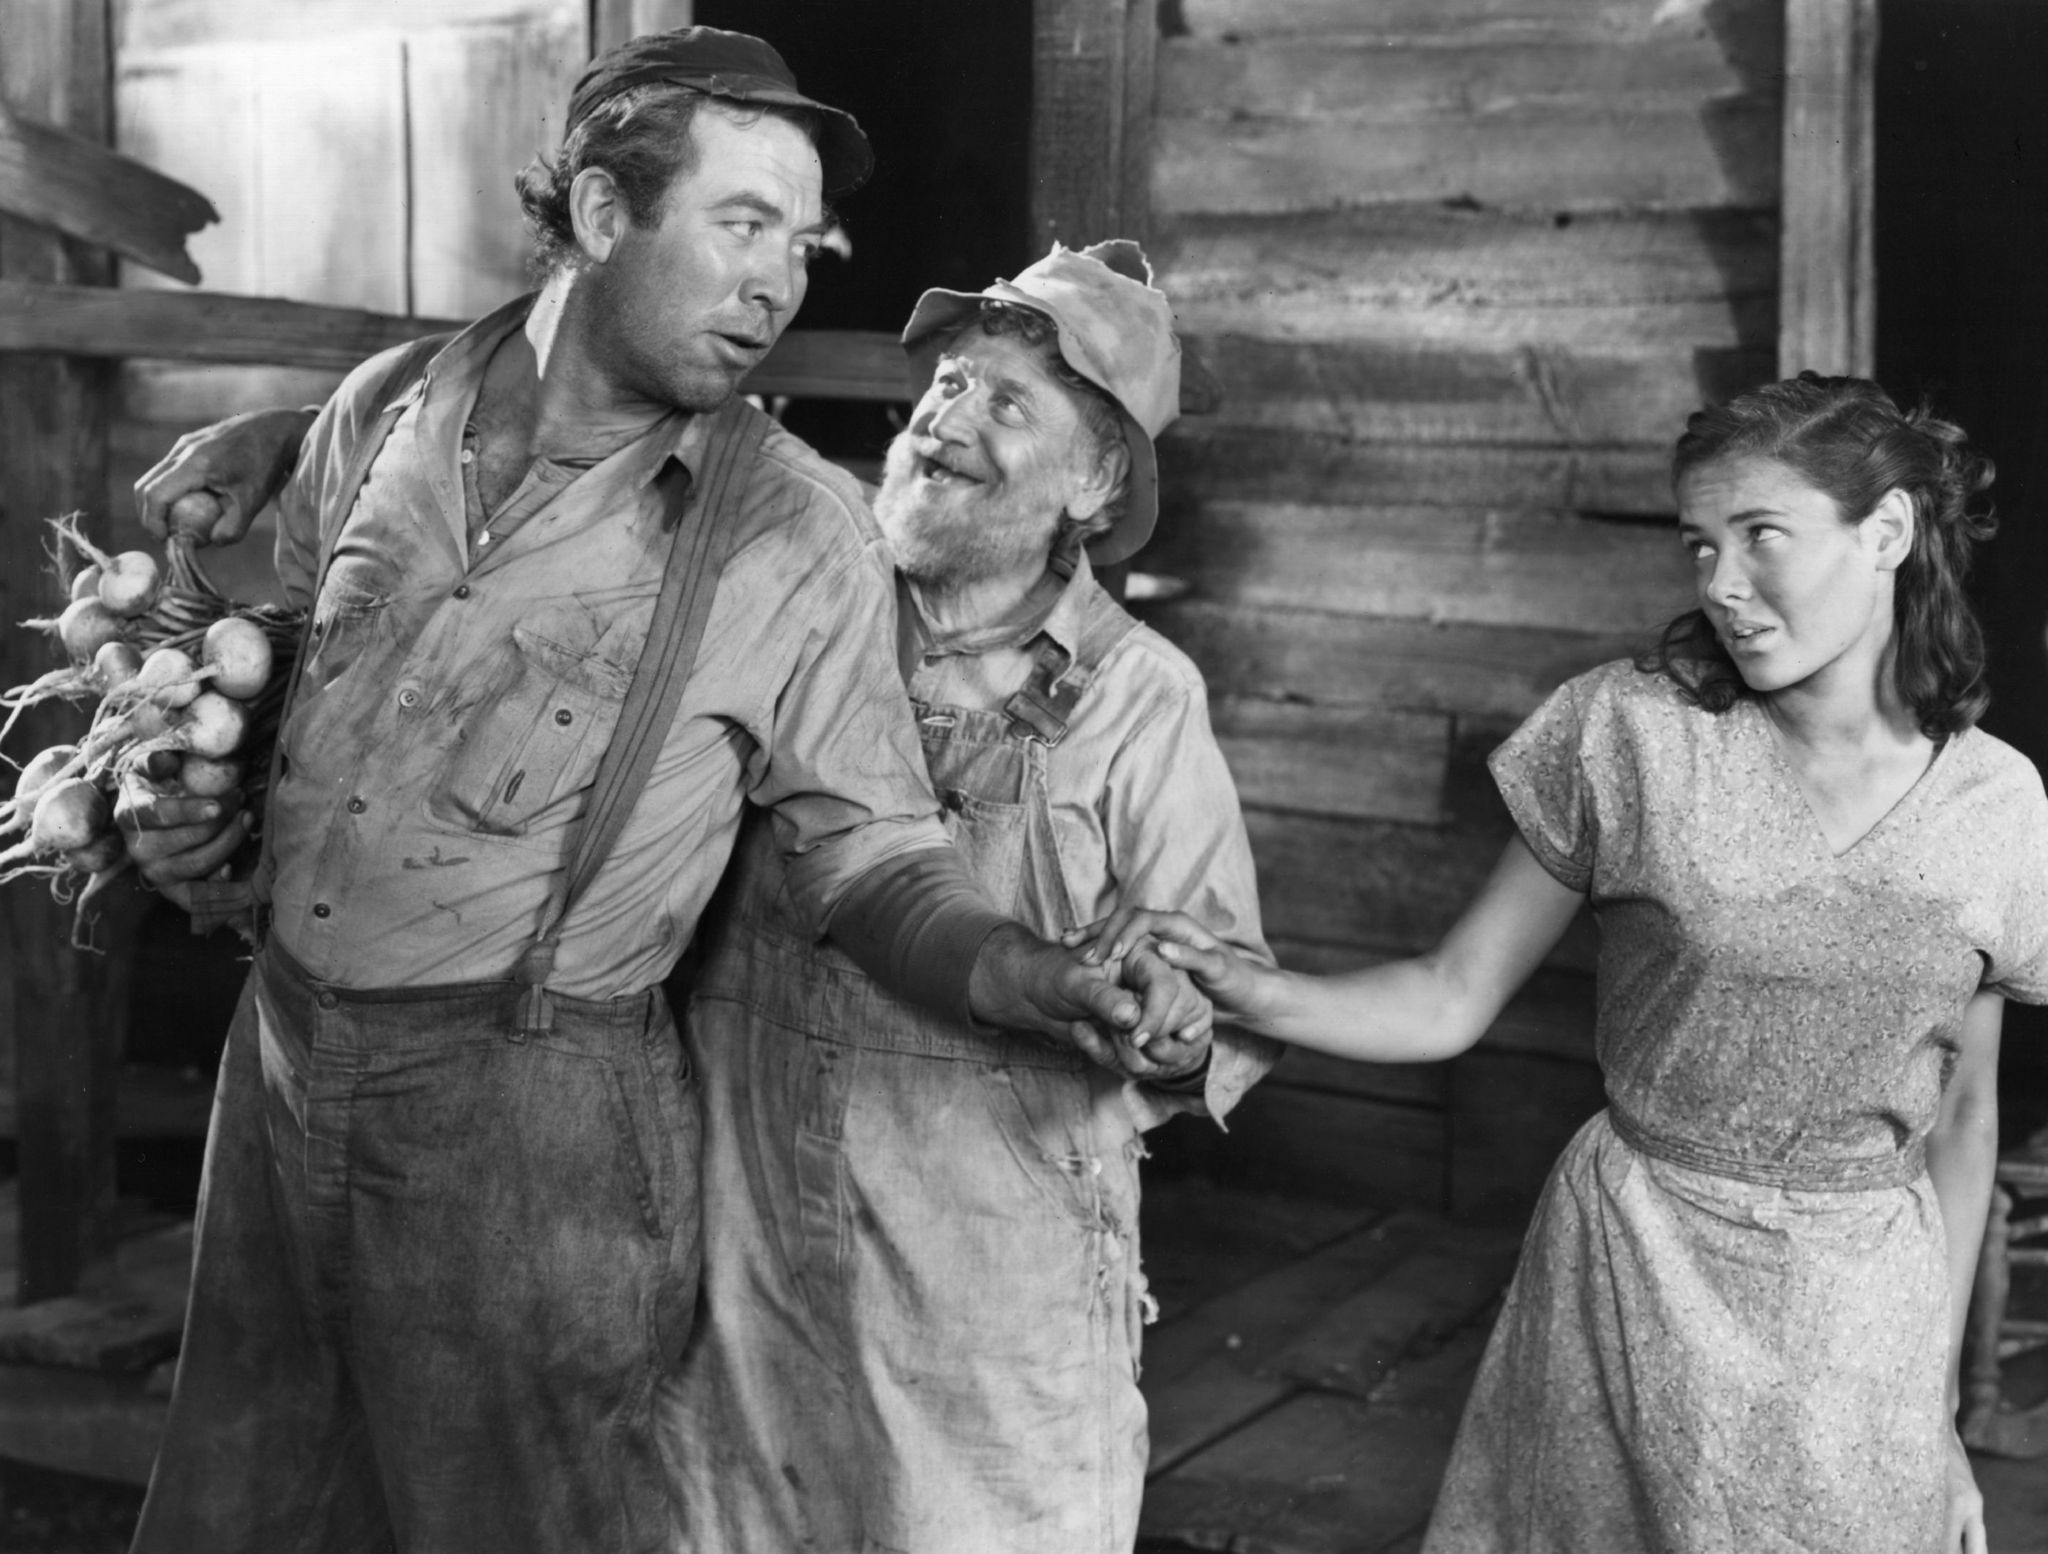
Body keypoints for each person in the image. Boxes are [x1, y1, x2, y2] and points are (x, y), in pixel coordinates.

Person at [117, 29, 1200, 1554]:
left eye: (800, 241)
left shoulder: (794, 535)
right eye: (741, 224)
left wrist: (1028, 968)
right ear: (608, 215)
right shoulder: (384, 413)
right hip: (279, 1070)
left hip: (528, 1141)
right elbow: (305, 700)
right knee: (240, 1506)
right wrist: (202, 828)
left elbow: (877, 861)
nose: (782, 281)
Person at [1076, 374, 2048, 1554]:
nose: (1720, 586)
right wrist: (1243, 983)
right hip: (1631, 1263)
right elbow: (1447, 996)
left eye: (1760, 538)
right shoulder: (1623, 735)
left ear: (1885, 530)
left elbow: (1962, 1126)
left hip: (1859, 1305)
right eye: (1698, 545)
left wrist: (1931, 1417)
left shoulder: (1998, 804)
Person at [658, 240, 1278, 1554]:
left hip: (987, 1284)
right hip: (747, 1235)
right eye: (949, 383)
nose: (948, 418)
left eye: (1009, 403)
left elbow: (1223, 992)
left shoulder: (1139, 695)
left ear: (1097, 482)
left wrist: (1172, 1020)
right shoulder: (795, 617)